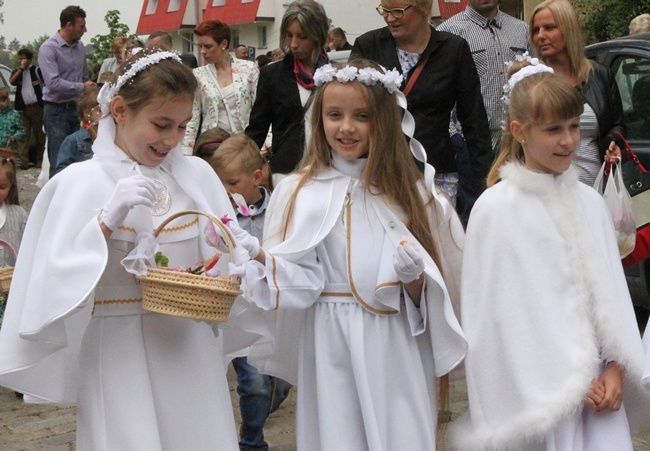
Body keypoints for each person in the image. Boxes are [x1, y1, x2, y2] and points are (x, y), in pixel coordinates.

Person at [0, 48, 248, 450]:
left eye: (182, 126)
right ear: (119, 109)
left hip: (189, 344)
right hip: (118, 349)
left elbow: (224, 258)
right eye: (161, 124)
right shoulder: (79, 182)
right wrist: (103, 221)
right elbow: (49, 276)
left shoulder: (198, 177)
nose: (172, 140)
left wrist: (239, 255)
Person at [232, 59, 467, 449]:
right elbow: (295, 282)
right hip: (327, 341)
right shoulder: (297, 192)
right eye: (335, 115)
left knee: (398, 432)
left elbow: (440, 297)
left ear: (384, 121)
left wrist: (413, 281)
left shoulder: (414, 195)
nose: (346, 127)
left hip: (393, 341)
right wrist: (259, 259)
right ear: (318, 119)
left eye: (362, 116)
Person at [453, 60, 649, 450]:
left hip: (598, 394)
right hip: (537, 394)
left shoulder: (590, 203)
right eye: (553, 130)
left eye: (574, 126)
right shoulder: (495, 210)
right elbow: (496, 320)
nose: (568, 141)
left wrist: (614, 368)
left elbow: (609, 296)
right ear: (519, 132)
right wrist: (562, 381)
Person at [351, 0, 492, 211]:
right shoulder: (368, 46)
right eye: (385, 10)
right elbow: (352, 109)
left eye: (398, 11)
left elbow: (474, 121)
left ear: (424, 8)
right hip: (380, 173)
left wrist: (486, 182)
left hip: (435, 173)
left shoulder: (453, 49)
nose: (390, 18)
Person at [211, 133, 291, 451]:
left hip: (277, 309)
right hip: (241, 311)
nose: (228, 193)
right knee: (254, 383)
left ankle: (256, 415)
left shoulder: (282, 209)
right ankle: (252, 442)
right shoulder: (222, 216)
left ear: (257, 177)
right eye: (221, 186)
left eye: (232, 183)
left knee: (280, 382)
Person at [530, 0, 624, 186]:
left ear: (568, 29)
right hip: (548, 190)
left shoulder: (599, 75)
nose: (540, 36)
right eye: (535, 30)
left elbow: (617, 124)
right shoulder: (532, 79)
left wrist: (613, 142)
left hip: (597, 189)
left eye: (549, 28)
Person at [246, 0, 330, 179]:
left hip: (328, 170)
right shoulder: (272, 74)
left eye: (302, 36)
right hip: (286, 173)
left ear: (318, 35)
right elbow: (257, 130)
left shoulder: (335, 76)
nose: (293, 44)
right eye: (289, 35)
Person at [437, 0, 530, 152]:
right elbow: (440, 93)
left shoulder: (521, 30)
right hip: (472, 144)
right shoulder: (447, 33)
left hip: (518, 139)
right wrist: (455, 139)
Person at [182, 20, 259, 155]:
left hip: (244, 146)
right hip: (212, 147)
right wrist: (186, 152)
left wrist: (265, 144)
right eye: (200, 46)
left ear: (223, 44)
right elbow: (192, 116)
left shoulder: (249, 69)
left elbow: (259, 109)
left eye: (208, 46)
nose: (203, 52)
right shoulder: (198, 75)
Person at [39, 5, 96, 178]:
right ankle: (56, 200)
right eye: (82, 26)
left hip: (77, 111)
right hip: (56, 112)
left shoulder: (79, 47)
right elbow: (53, 83)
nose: (85, 30)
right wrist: (82, 87)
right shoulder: (48, 48)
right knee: (59, 160)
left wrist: (89, 89)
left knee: (81, 155)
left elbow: (84, 76)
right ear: (69, 25)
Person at [0, 159, 27, 326]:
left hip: (12, 295)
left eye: (2, 187)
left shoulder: (19, 215)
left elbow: (29, 251)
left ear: (11, 188)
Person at [9, 48, 46, 170]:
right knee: (24, 136)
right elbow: (12, 82)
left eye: (23, 59)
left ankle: (39, 160)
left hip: (36, 107)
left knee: (39, 135)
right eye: (19, 59)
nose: (21, 61)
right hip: (22, 108)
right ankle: (24, 162)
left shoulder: (36, 71)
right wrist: (20, 69)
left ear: (29, 59)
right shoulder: (17, 72)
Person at [53, 86, 101, 175]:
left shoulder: (114, 137)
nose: (106, 113)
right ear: (87, 112)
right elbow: (61, 173)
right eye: (100, 110)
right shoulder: (73, 141)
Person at [0, 87, 24, 152]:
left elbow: (21, 129)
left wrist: (15, 136)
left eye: (3, 101)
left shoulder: (14, 114)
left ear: (8, 100)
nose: (1, 104)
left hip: (9, 149)